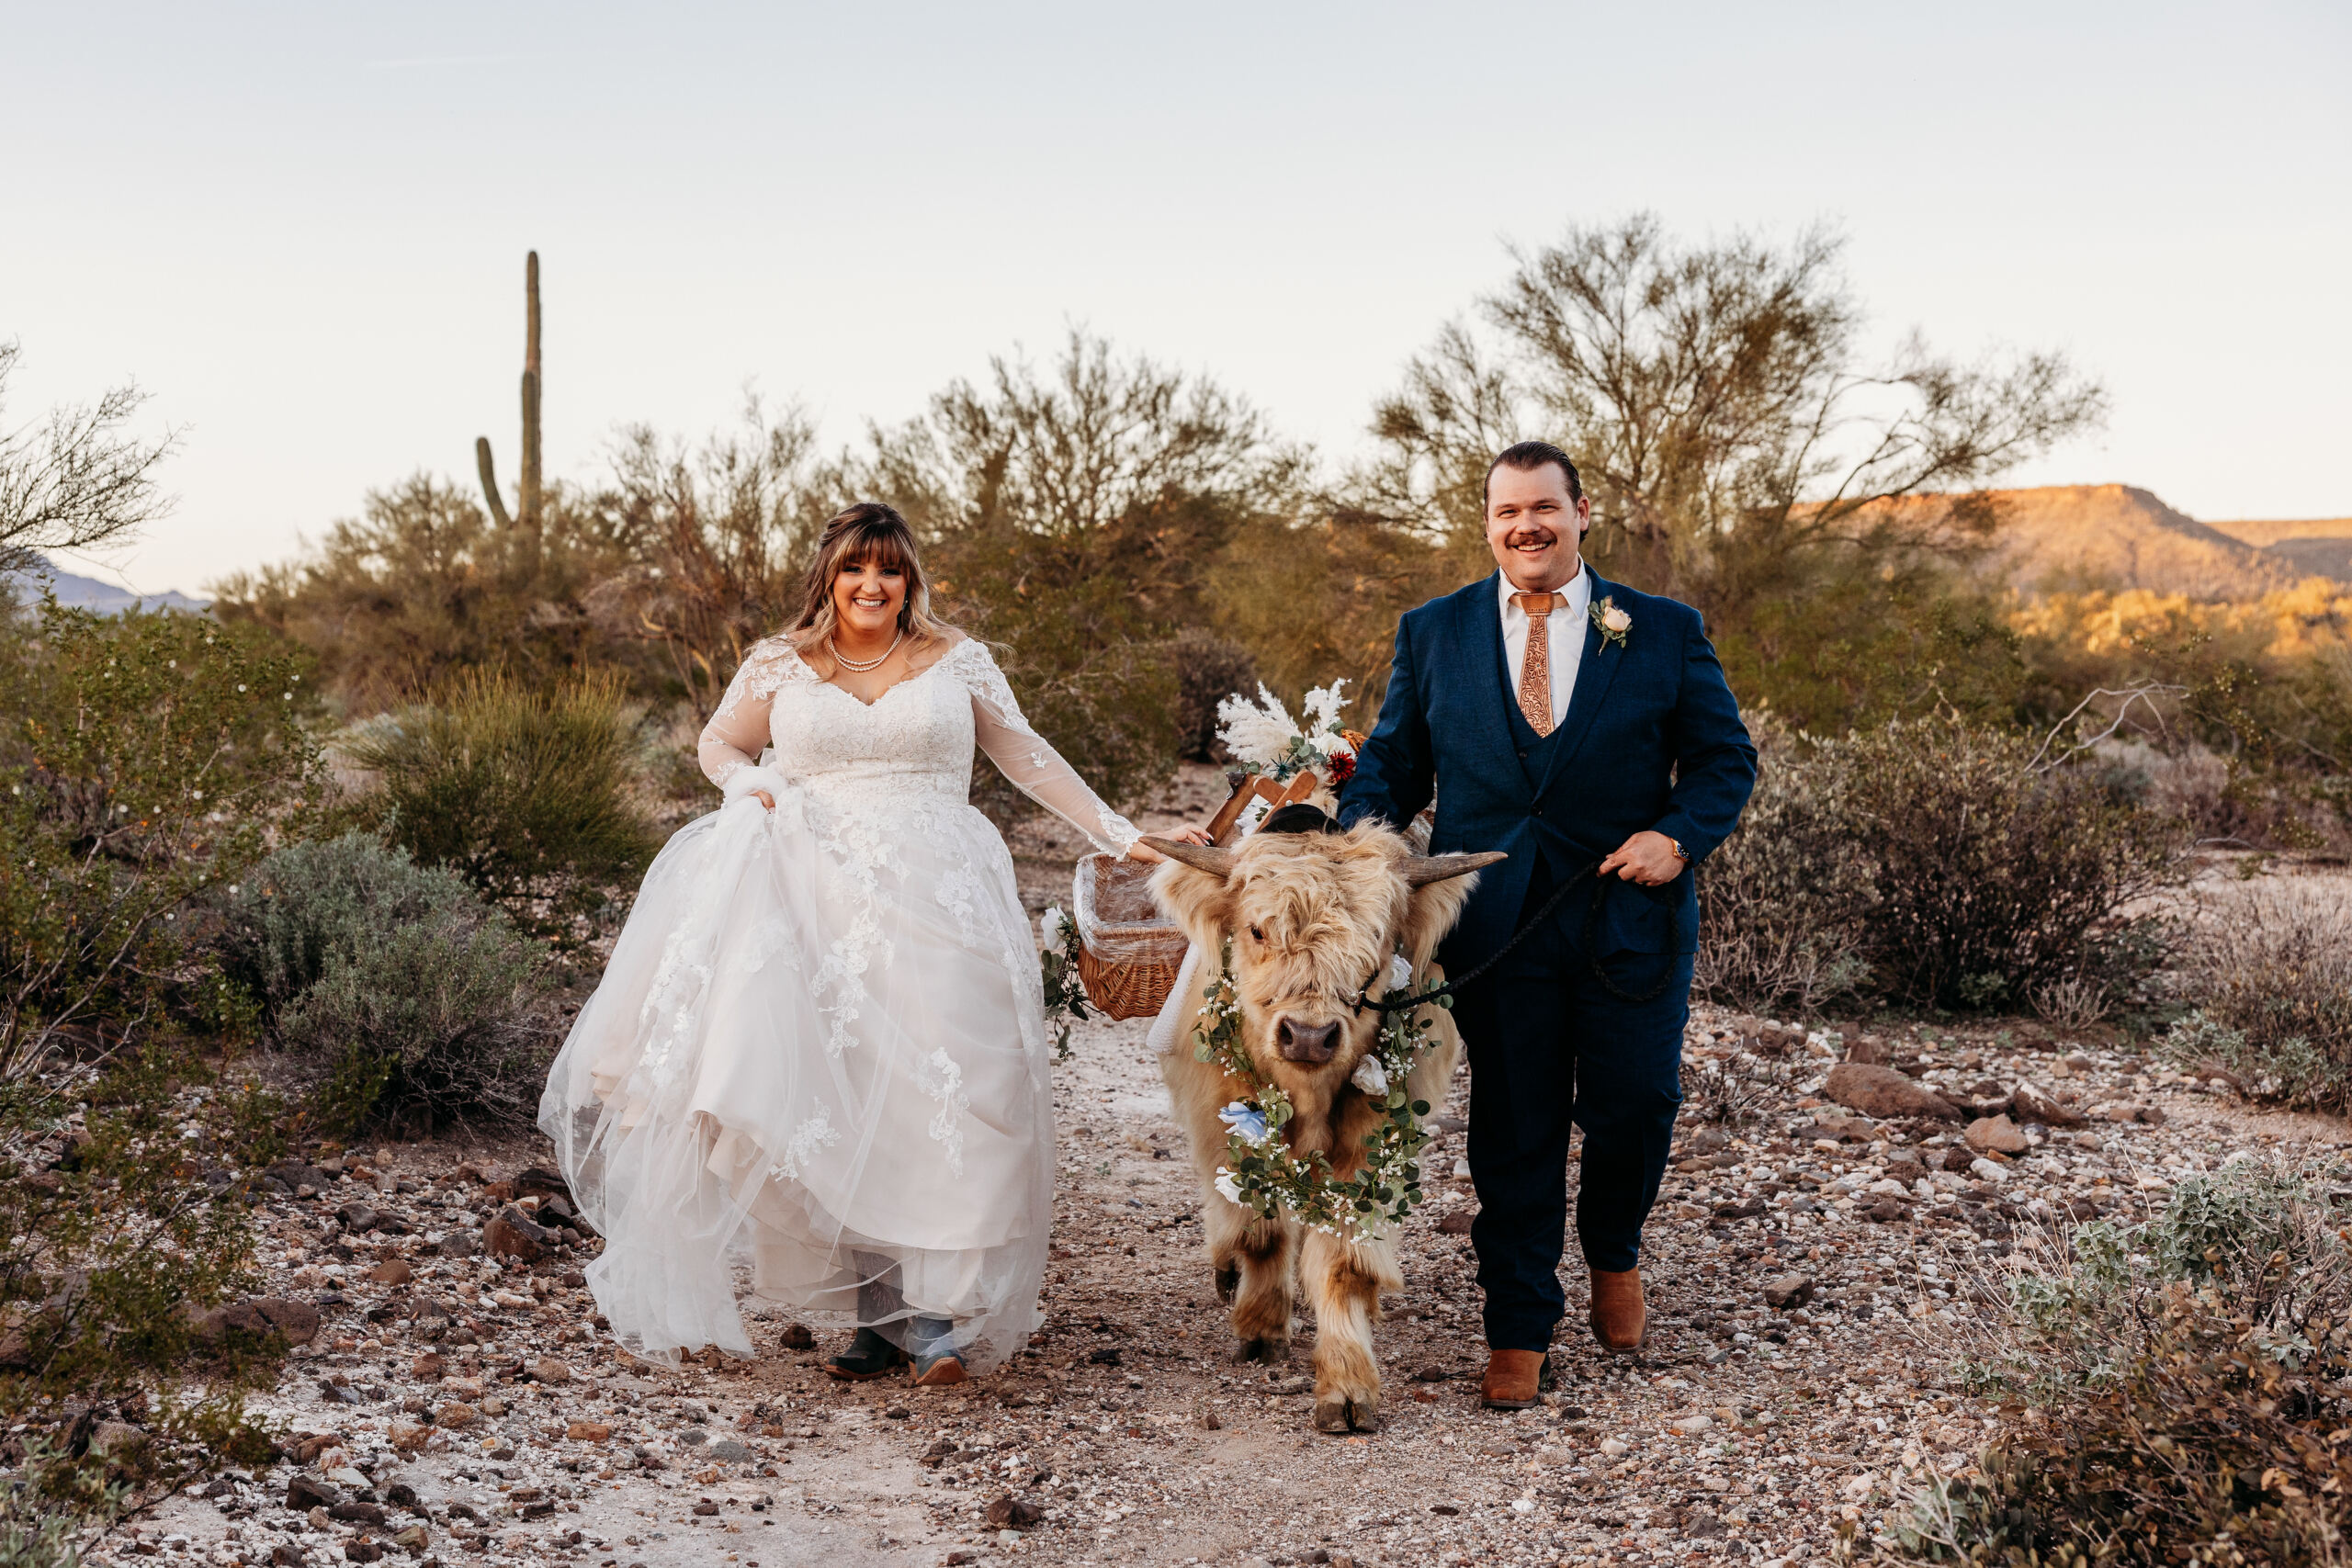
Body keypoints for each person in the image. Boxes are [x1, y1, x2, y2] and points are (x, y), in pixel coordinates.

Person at [539, 502, 1209, 1386]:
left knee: (952, 1086)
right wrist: (751, 784)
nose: (872, 585)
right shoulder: (780, 662)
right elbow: (718, 742)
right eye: (856, 568)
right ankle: (875, 1314)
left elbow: (1028, 755)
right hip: (815, 895)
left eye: (889, 570)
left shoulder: (956, 659)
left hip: (943, 894)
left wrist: (1128, 838)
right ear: (829, 576)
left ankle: (936, 1317)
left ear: (908, 580)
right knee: (842, 1093)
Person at [1337, 443, 1756, 1408]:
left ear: (1580, 513)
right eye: (1506, 512)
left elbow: (1724, 761)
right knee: (1515, 1127)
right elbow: (1394, 768)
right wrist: (1348, 844)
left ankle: (1613, 1251)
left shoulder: (1660, 629)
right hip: (1496, 929)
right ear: (1486, 523)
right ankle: (1518, 1325)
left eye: (1543, 508)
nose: (1525, 526)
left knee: (1636, 1104)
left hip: (1629, 920)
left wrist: (1677, 836)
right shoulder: (1432, 631)